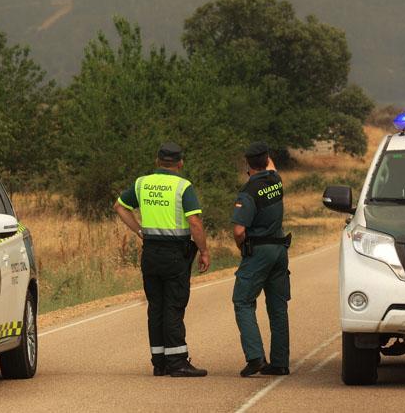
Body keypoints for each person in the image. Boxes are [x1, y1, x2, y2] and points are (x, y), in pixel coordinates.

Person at [113, 142, 211, 377]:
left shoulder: (142, 183)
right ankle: (177, 362)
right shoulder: (183, 186)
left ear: (157, 161)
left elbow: (119, 207)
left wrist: (140, 231)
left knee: (156, 306)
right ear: (180, 163)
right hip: (175, 254)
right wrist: (204, 251)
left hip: (150, 253)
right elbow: (195, 223)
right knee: (174, 306)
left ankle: (160, 362)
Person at [231, 141, 291, 377]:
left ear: (248, 164)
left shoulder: (248, 192)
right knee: (277, 307)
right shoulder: (276, 181)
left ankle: (255, 357)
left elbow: (238, 230)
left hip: (259, 252)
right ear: (267, 160)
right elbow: (272, 168)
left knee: (243, 302)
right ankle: (280, 363)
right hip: (279, 250)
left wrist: (241, 247)